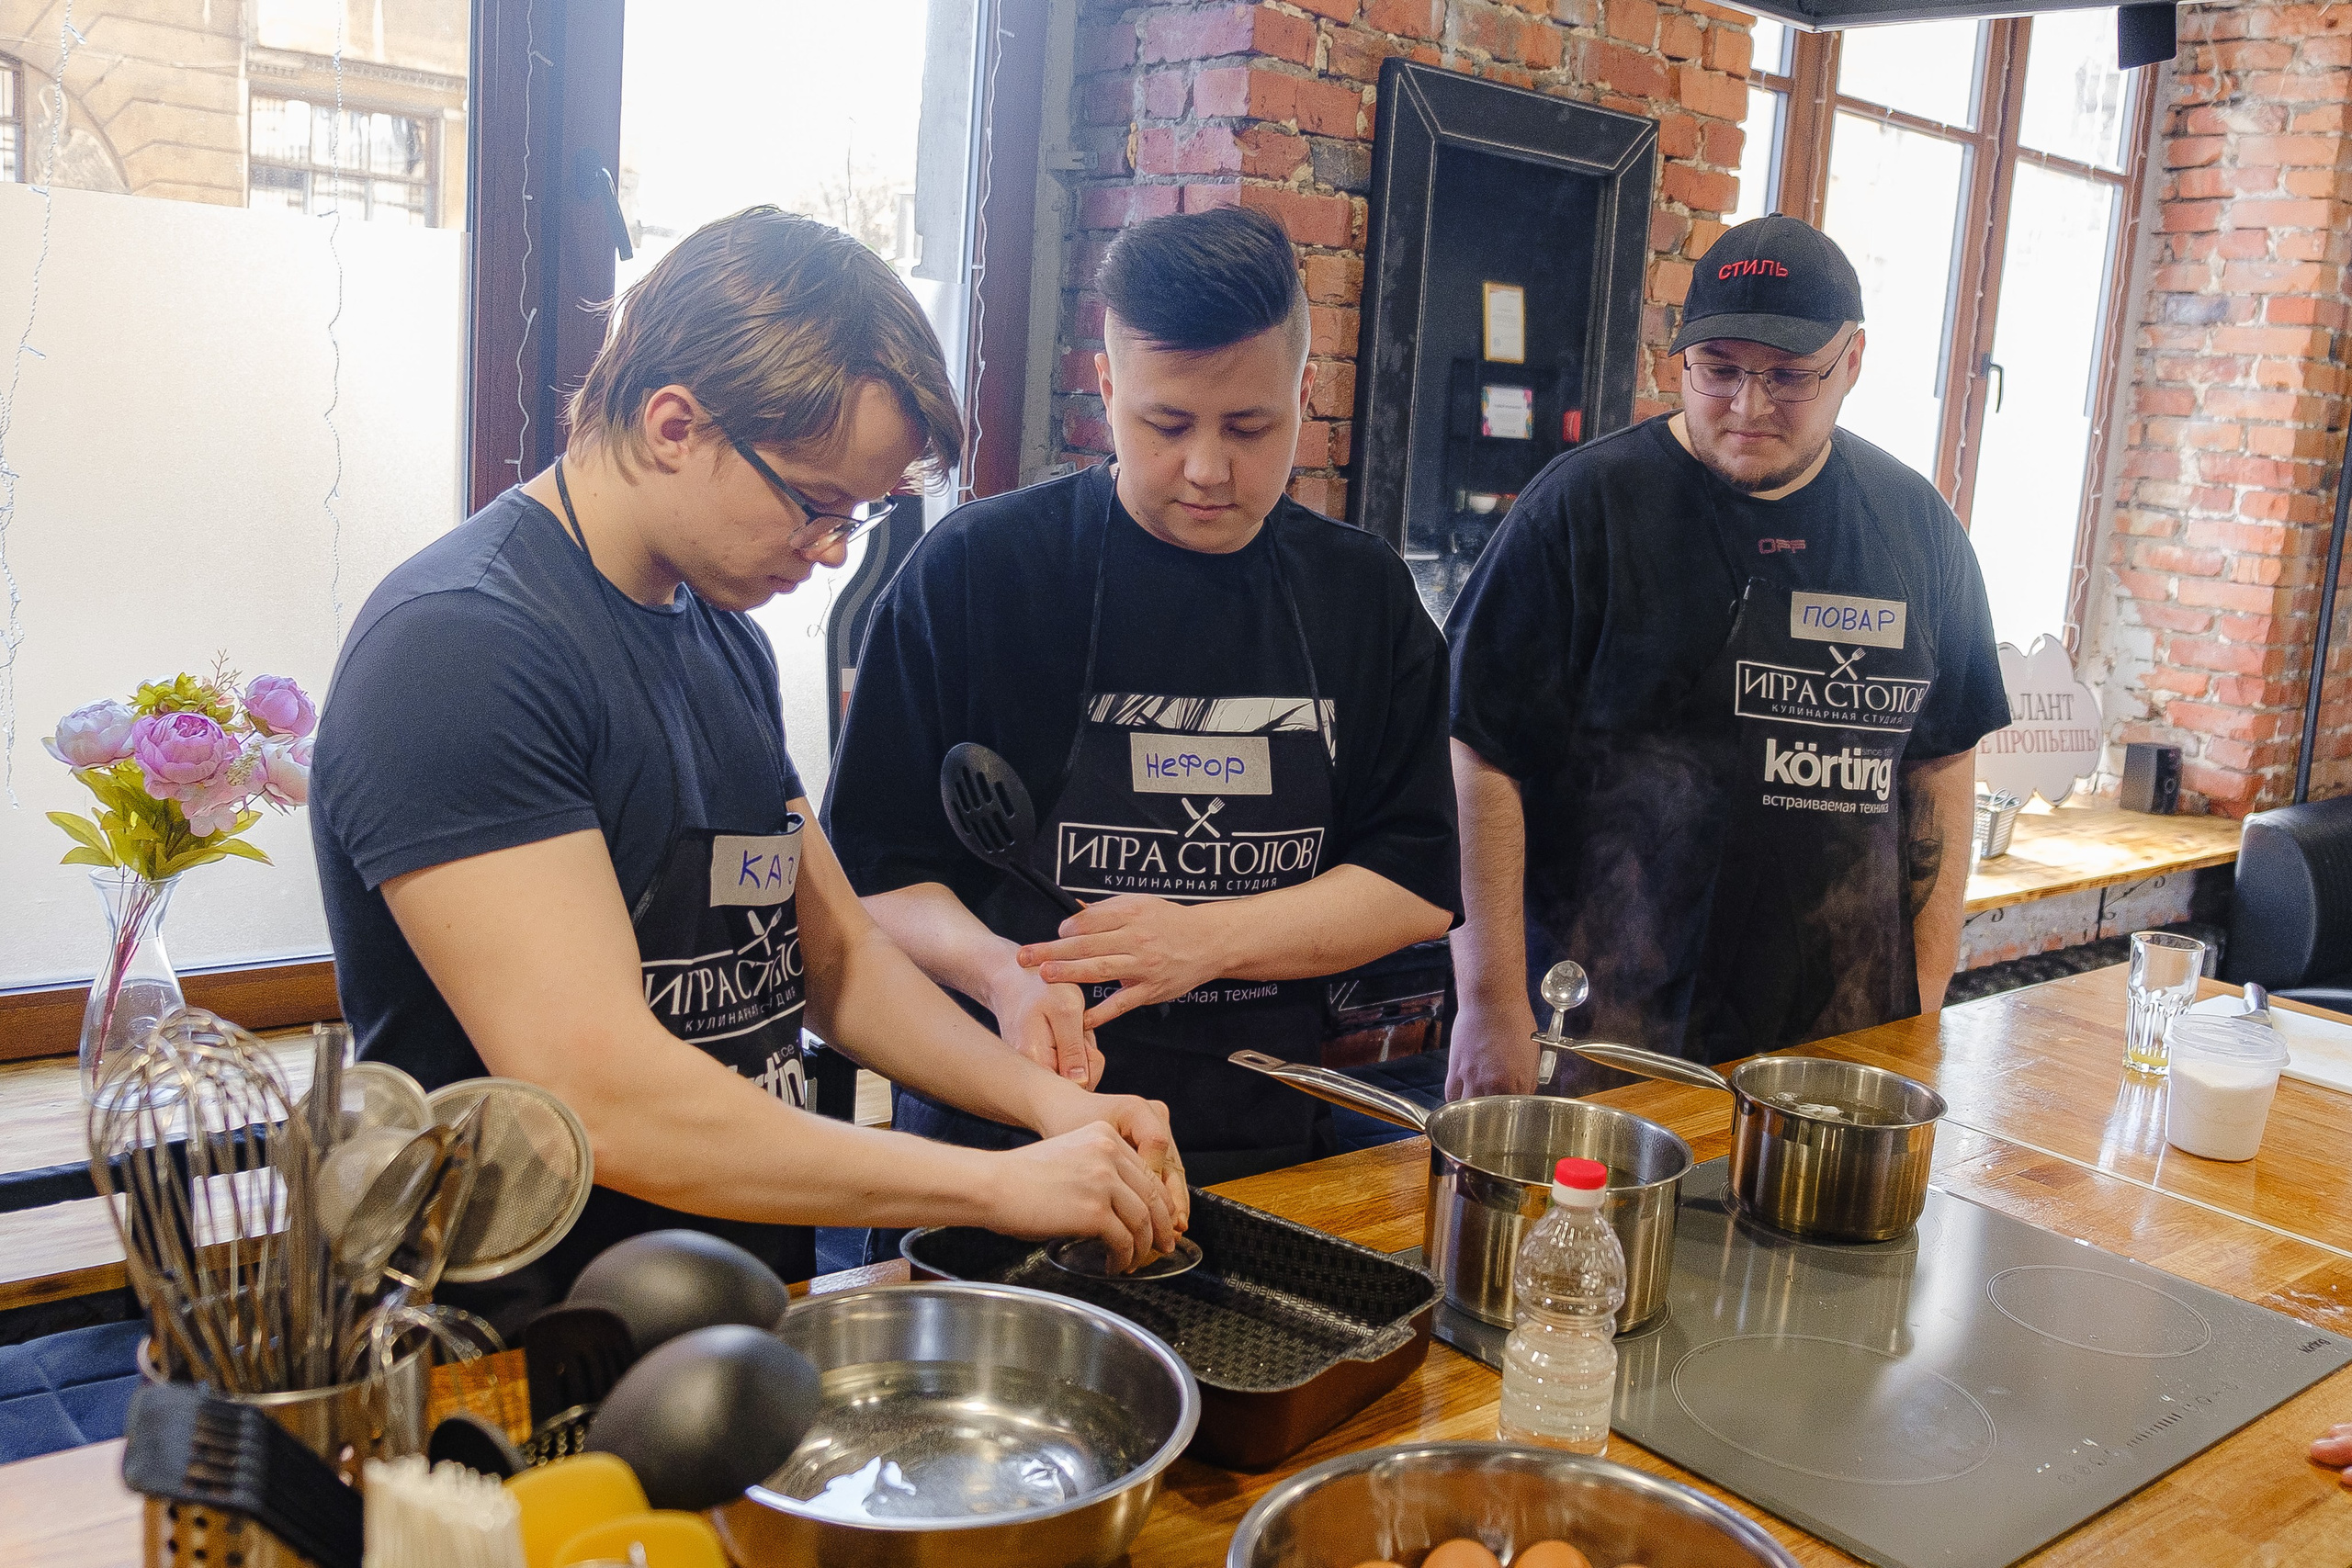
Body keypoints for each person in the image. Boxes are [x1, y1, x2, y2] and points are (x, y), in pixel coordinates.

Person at [311, 209, 1184, 1331]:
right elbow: (601, 1096)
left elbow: (833, 956)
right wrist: (992, 1182)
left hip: (729, 1295)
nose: (831, 552)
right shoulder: (463, 650)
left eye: (858, 515)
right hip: (521, 1336)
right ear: (676, 424)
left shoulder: (716, 629)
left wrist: (1046, 1107)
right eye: (814, 503)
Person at [823, 207, 1460, 1185]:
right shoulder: (979, 573)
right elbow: (871, 879)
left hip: (1266, 1142)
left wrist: (1211, 939)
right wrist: (1001, 970)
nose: (1208, 470)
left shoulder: (1360, 597)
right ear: (1108, 387)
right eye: (1166, 424)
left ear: (1305, 388)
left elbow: (1414, 884)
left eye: (1250, 426)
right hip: (1007, 1144)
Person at [1444, 215, 2010, 1095]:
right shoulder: (1581, 512)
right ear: (1680, 362)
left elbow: (1943, 760)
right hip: (1599, 1034)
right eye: (1720, 373)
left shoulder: (1917, 531)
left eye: (1788, 377)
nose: (1749, 407)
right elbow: (1479, 754)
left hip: (1836, 1044)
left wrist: (1925, 990)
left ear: (1852, 362)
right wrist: (1487, 1002)